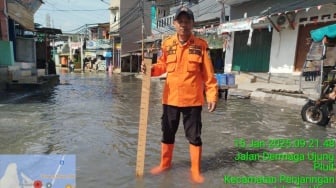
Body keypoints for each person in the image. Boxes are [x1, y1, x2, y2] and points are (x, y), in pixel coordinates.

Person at [141, 6, 218, 183]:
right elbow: (162, 66)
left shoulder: (201, 46)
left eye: (187, 21)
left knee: (194, 136)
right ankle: (165, 164)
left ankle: (195, 170)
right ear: (175, 23)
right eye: (180, 21)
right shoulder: (167, 44)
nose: (184, 25)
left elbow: (208, 74)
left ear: (192, 23)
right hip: (170, 99)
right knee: (167, 133)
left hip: (193, 100)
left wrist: (212, 95)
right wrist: (150, 69)